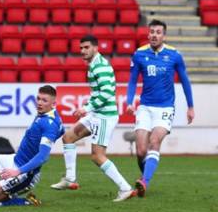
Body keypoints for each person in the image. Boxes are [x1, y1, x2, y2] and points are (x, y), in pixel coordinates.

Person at [51, 35, 136, 202]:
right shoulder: (93, 65)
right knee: (68, 137)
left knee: (97, 156)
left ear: (96, 48)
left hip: (105, 117)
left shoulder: (100, 67)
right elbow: (98, 92)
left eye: (86, 47)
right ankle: (70, 179)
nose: (83, 51)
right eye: (81, 48)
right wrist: (89, 107)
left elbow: (106, 93)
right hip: (95, 115)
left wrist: (86, 108)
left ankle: (125, 188)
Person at [126, 19, 194, 197]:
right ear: (148, 34)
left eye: (158, 32)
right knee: (141, 151)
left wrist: (190, 106)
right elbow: (132, 80)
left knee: (154, 142)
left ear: (164, 36)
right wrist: (129, 101)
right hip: (145, 107)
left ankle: (144, 181)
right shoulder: (139, 54)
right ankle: (144, 176)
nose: (154, 35)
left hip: (165, 108)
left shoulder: (174, 55)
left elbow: (185, 81)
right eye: (151, 32)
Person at [0, 85, 64, 207]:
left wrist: (17, 172)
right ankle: (1, 194)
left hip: (25, 174)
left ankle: (25, 201)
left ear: (53, 104)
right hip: (15, 159)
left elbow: (43, 157)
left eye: (44, 100)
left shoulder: (49, 123)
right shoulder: (47, 115)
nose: (40, 103)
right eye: (38, 99)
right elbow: (61, 130)